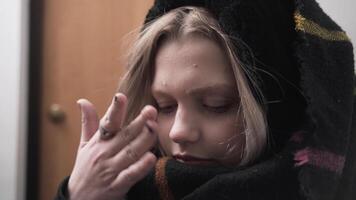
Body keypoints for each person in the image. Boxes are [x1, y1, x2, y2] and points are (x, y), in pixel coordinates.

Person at [55, 0, 356, 199]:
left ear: (283, 107)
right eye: (164, 106)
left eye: (216, 104)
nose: (178, 132)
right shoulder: (125, 189)